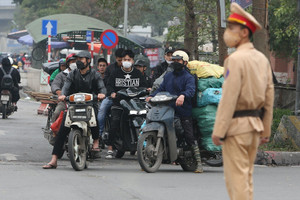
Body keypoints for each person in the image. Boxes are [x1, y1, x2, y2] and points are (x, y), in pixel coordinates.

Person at [211, 3, 274, 200]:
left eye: (232, 28)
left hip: (237, 127)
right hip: (254, 126)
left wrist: (219, 130)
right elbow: (269, 98)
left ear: (244, 32)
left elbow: (229, 97)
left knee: (236, 180)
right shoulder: (262, 59)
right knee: (246, 178)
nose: (227, 32)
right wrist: (265, 129)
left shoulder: (235, 60)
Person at [42, 51, 106, 169]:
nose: (79, 61)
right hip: (73, 104)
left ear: (88, 61)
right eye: (78, 59)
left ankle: (96, 140)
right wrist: (63, 95)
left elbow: (102, 87)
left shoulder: (95, 74)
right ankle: (54, 159)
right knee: (62, 130)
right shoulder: (72, 74)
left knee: (95, 119)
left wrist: (101, 94)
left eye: (82, 59)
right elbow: (66, 87)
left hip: (90, 104)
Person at [146, 50, 203, 173]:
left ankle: (198, 163)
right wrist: (152, 96)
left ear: (185, 62)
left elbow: (191, 90)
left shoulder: (189, 77)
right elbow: (161, 88)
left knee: (188, 135)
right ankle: (149, 160)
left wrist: (183, 96)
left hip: (183, 110)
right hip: (168, 108)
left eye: (178, 60)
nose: (175, 62)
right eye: (174, 60)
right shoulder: (168, 76)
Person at [105, 49, 147, 159]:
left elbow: (144, 86)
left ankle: (142, 145)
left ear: (133, 61)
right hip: (119, 103)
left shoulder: (137, 74)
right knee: (114, 121)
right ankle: (110, 147)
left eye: (128, 59)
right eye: (124, 59)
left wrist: (147, 90)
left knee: (144, 120)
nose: (126, 61)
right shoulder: (115, 73)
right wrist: (112, 93)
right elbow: (109, 86)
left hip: (135, 104)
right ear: (121, 61)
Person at [97, 49, 124, 151]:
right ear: (116, 59)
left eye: (124, 60)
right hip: (110, 97)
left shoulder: (131, 70)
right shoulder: (110, 69)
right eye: (120, 60)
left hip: (126, 98)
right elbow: (107, 84)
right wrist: (111, 93)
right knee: (102, 110)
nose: (122, 62)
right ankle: (99, 136)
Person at [50, 53, 77, 122]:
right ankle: (53, 130)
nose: (75, 63)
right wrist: (58, 91)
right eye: (72, 62)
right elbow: (55, 84)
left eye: (76, 61)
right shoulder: (61, 75)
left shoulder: (82, 74)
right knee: (57, 113)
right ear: (68, 63)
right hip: (65, 100)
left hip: (79, 101)